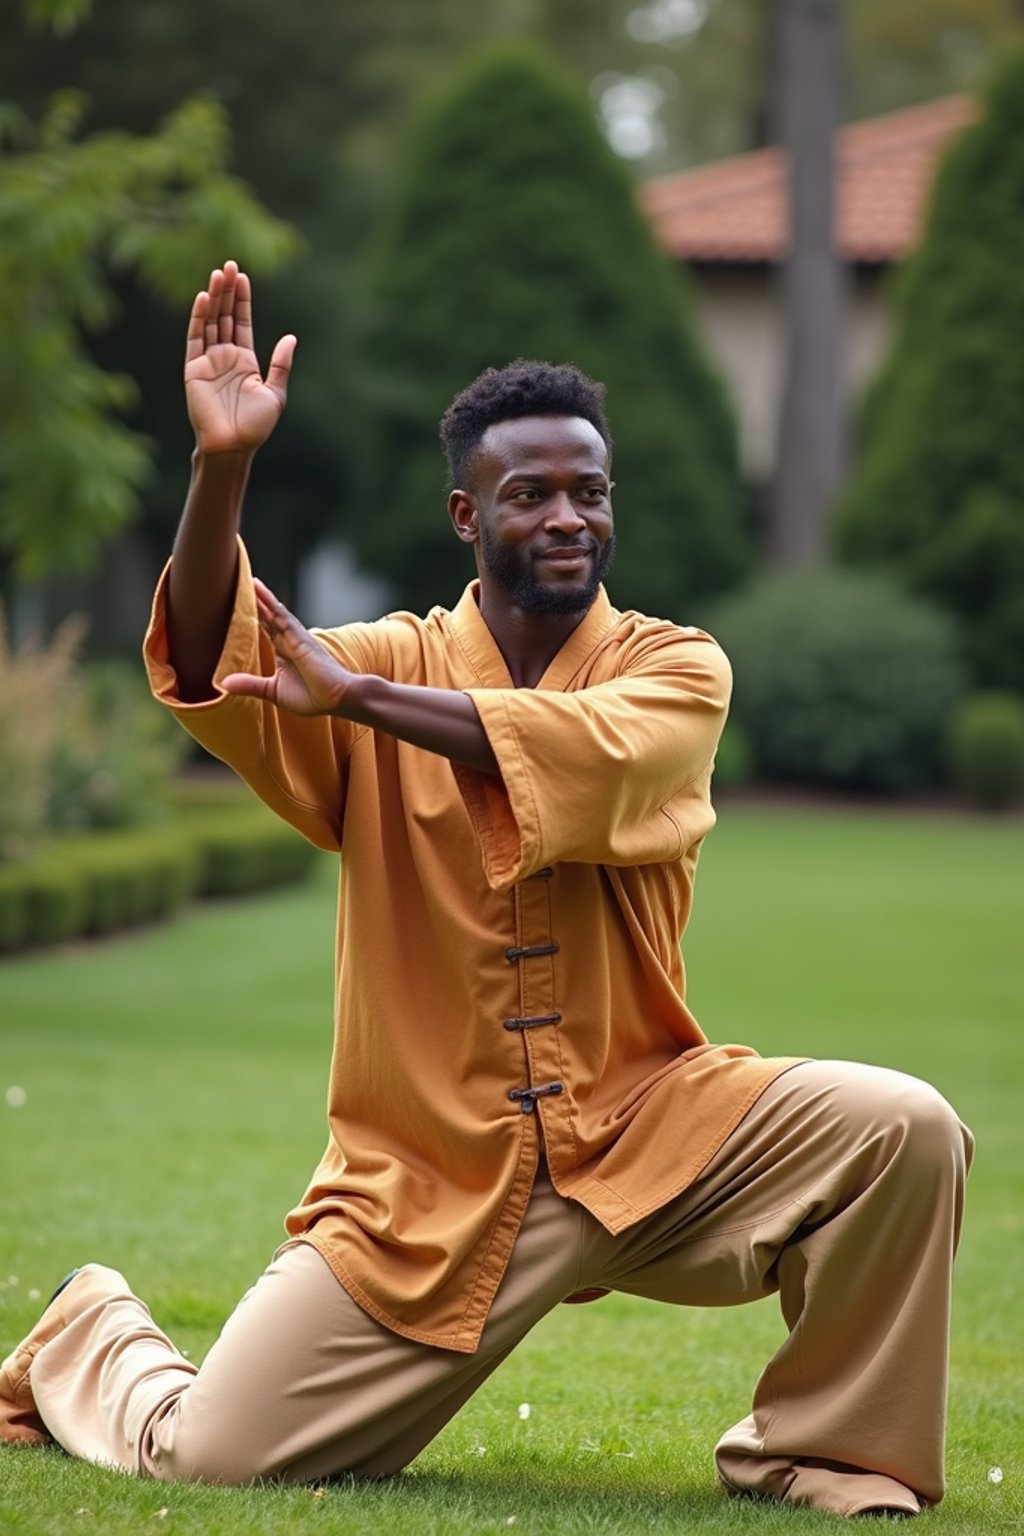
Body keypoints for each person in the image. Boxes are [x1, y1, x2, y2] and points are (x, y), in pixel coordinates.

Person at [1, 262, 973, 1518]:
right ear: (467, 517)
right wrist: (222, 466)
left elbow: (592, 750)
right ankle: (90, 1335)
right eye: (531, 496)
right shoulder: (385, 661)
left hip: (653, 1132)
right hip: (426, 1182)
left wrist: (355, 700)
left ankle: (826, 1451)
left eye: (590, 492)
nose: (569, 517)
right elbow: (208, 653)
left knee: (902, 1127)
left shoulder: (676, 666)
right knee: (213, 1458)